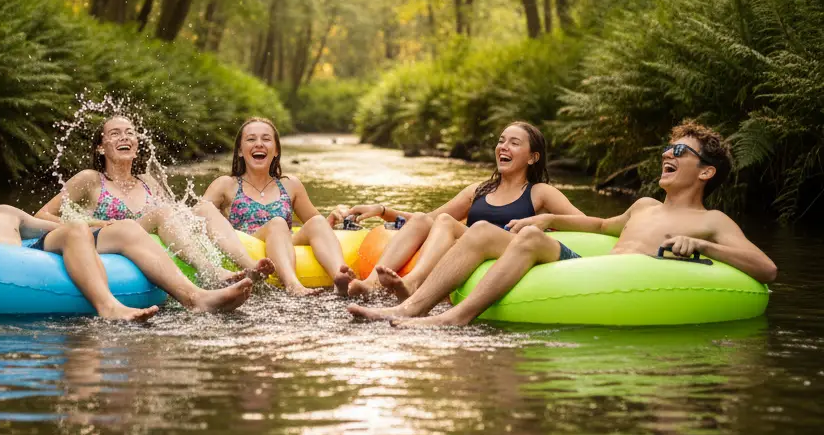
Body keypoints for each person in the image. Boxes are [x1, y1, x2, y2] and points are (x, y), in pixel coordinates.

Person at [349, 121, 777, 327]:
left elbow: (766, 269)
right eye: (667, 148)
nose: (667, 154)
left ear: (706, 172)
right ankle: (410, 307)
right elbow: (601, 226)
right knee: (483, 231)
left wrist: (704, 247)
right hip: (590, 268)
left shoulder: (712, 220)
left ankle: (456, 318)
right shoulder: (645, 205)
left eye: (679, 152)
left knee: (531, 238)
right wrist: (550, 217)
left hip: (631, 280)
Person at [0, 134, 253, 320]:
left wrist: (110, 223)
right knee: (74, 232)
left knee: (120, 229)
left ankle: (195, 297)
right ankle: (108, 307)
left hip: (30, 259)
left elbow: (58, 226)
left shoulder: (7, 213)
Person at [338, 122, 583, 301]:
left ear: (532, 158)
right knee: (427, 219)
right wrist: (382, 210)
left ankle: (414, 282)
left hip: (507, 251)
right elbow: (428, 220)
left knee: (446, 221)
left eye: (514, 143)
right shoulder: (478, 190)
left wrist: (546, 221)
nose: (503, 147)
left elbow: (583, 222)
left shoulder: (540, 192)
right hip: (468, 249)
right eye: (501, 141)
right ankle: (371, 283)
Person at [37, 115, 272, 285]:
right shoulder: (90, 179)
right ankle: (209, 271)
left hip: (144, 242)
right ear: (100, 148)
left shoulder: (148, 181)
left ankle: (249, 266)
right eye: (115, 134)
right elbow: (42, 215)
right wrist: (92, 224)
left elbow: (177, 217)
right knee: (162, 214)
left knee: (204, 208)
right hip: (108, 241)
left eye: (130, 133)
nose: (124, 137)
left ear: (137, 145)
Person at [203, 117, 357, 296]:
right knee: (277, 222)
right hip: (247, 245)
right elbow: (199, 217)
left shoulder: (291, 185)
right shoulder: (226, 184)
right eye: (251, 139)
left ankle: (341, 278)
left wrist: (333, 218)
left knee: (316, 222)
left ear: (276, 151)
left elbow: (314, 223)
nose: (259, 144)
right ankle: (293, 285)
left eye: (266, 139)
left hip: (283, 245)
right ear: (240, 151)